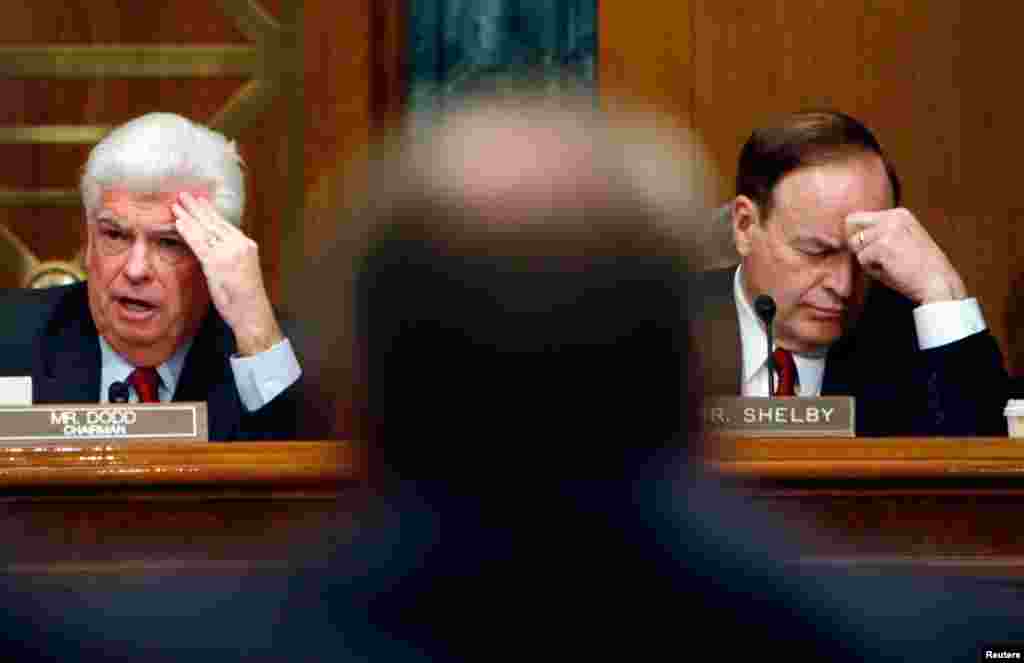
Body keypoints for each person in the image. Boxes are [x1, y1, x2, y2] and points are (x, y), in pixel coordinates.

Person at [691, 110, 1008, 435]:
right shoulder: (663, 325)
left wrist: (941, 291)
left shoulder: (913, 343)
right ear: (745, 226)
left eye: (863, 257)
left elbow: (985, 465)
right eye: (816, 251)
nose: (842, 286)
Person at [0, 112, 302, 441]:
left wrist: (255, 331)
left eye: (170, 243)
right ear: (88, 241)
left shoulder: (273, 358)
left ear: (216, 255)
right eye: (115, 235)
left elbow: (308, 479)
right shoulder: (10, 337)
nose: (135, 269)